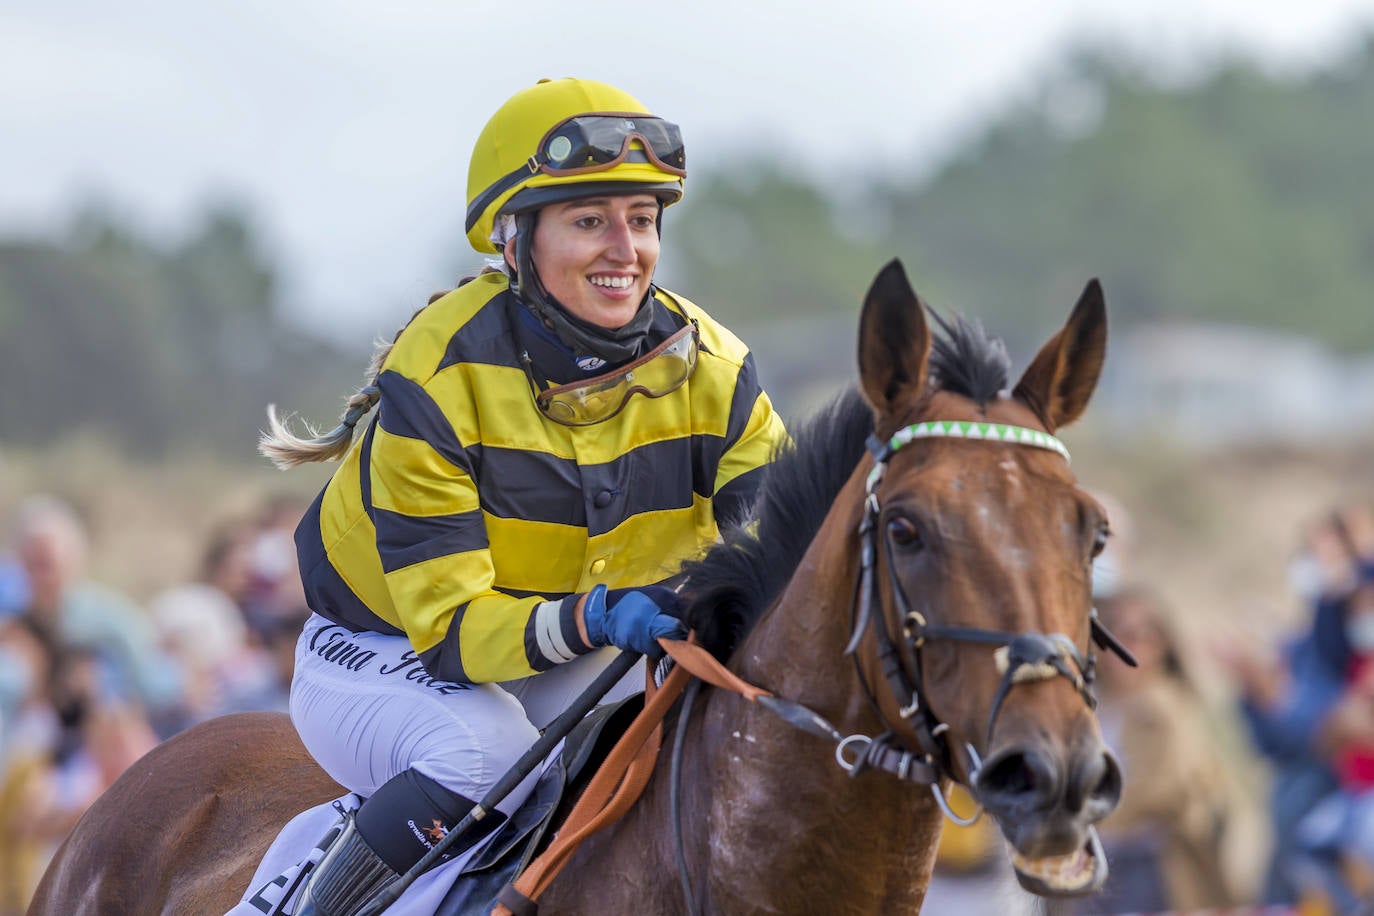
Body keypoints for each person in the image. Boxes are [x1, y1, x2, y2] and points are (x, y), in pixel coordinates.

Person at [252, 77, 786, 915]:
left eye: (641, 221)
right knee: (484, 751)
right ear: (514, 241)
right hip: (387, 653)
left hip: (571, 648)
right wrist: (602, 616)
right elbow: (456, 636)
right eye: (588, 222)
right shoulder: (436, 376)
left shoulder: (718, 370)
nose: (625, 249)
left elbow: (781, 558)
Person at [1083, 586, 1237, 913]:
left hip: (1153, 863)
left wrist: (1090, 822)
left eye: (1140, 636)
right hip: (1099, 857)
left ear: (1161, 644)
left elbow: (1169, 787)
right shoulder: (1093, 705)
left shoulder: (1169, 707)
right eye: (1116, 634)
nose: (1127, 647)